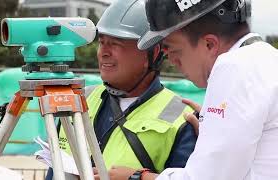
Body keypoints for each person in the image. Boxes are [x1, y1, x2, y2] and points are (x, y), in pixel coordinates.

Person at [45, 0, 197, 179]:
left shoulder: (183, 119)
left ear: (153, 53)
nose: (104, 52)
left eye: (116, 44)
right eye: (102, 42)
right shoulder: (76, 101)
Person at [135, 0, 278, 179]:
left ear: (209, 44)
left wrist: (138, 177)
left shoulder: (233, 67)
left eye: (172, 49)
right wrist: (215, 129)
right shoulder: (266, 59)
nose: (171, 60)